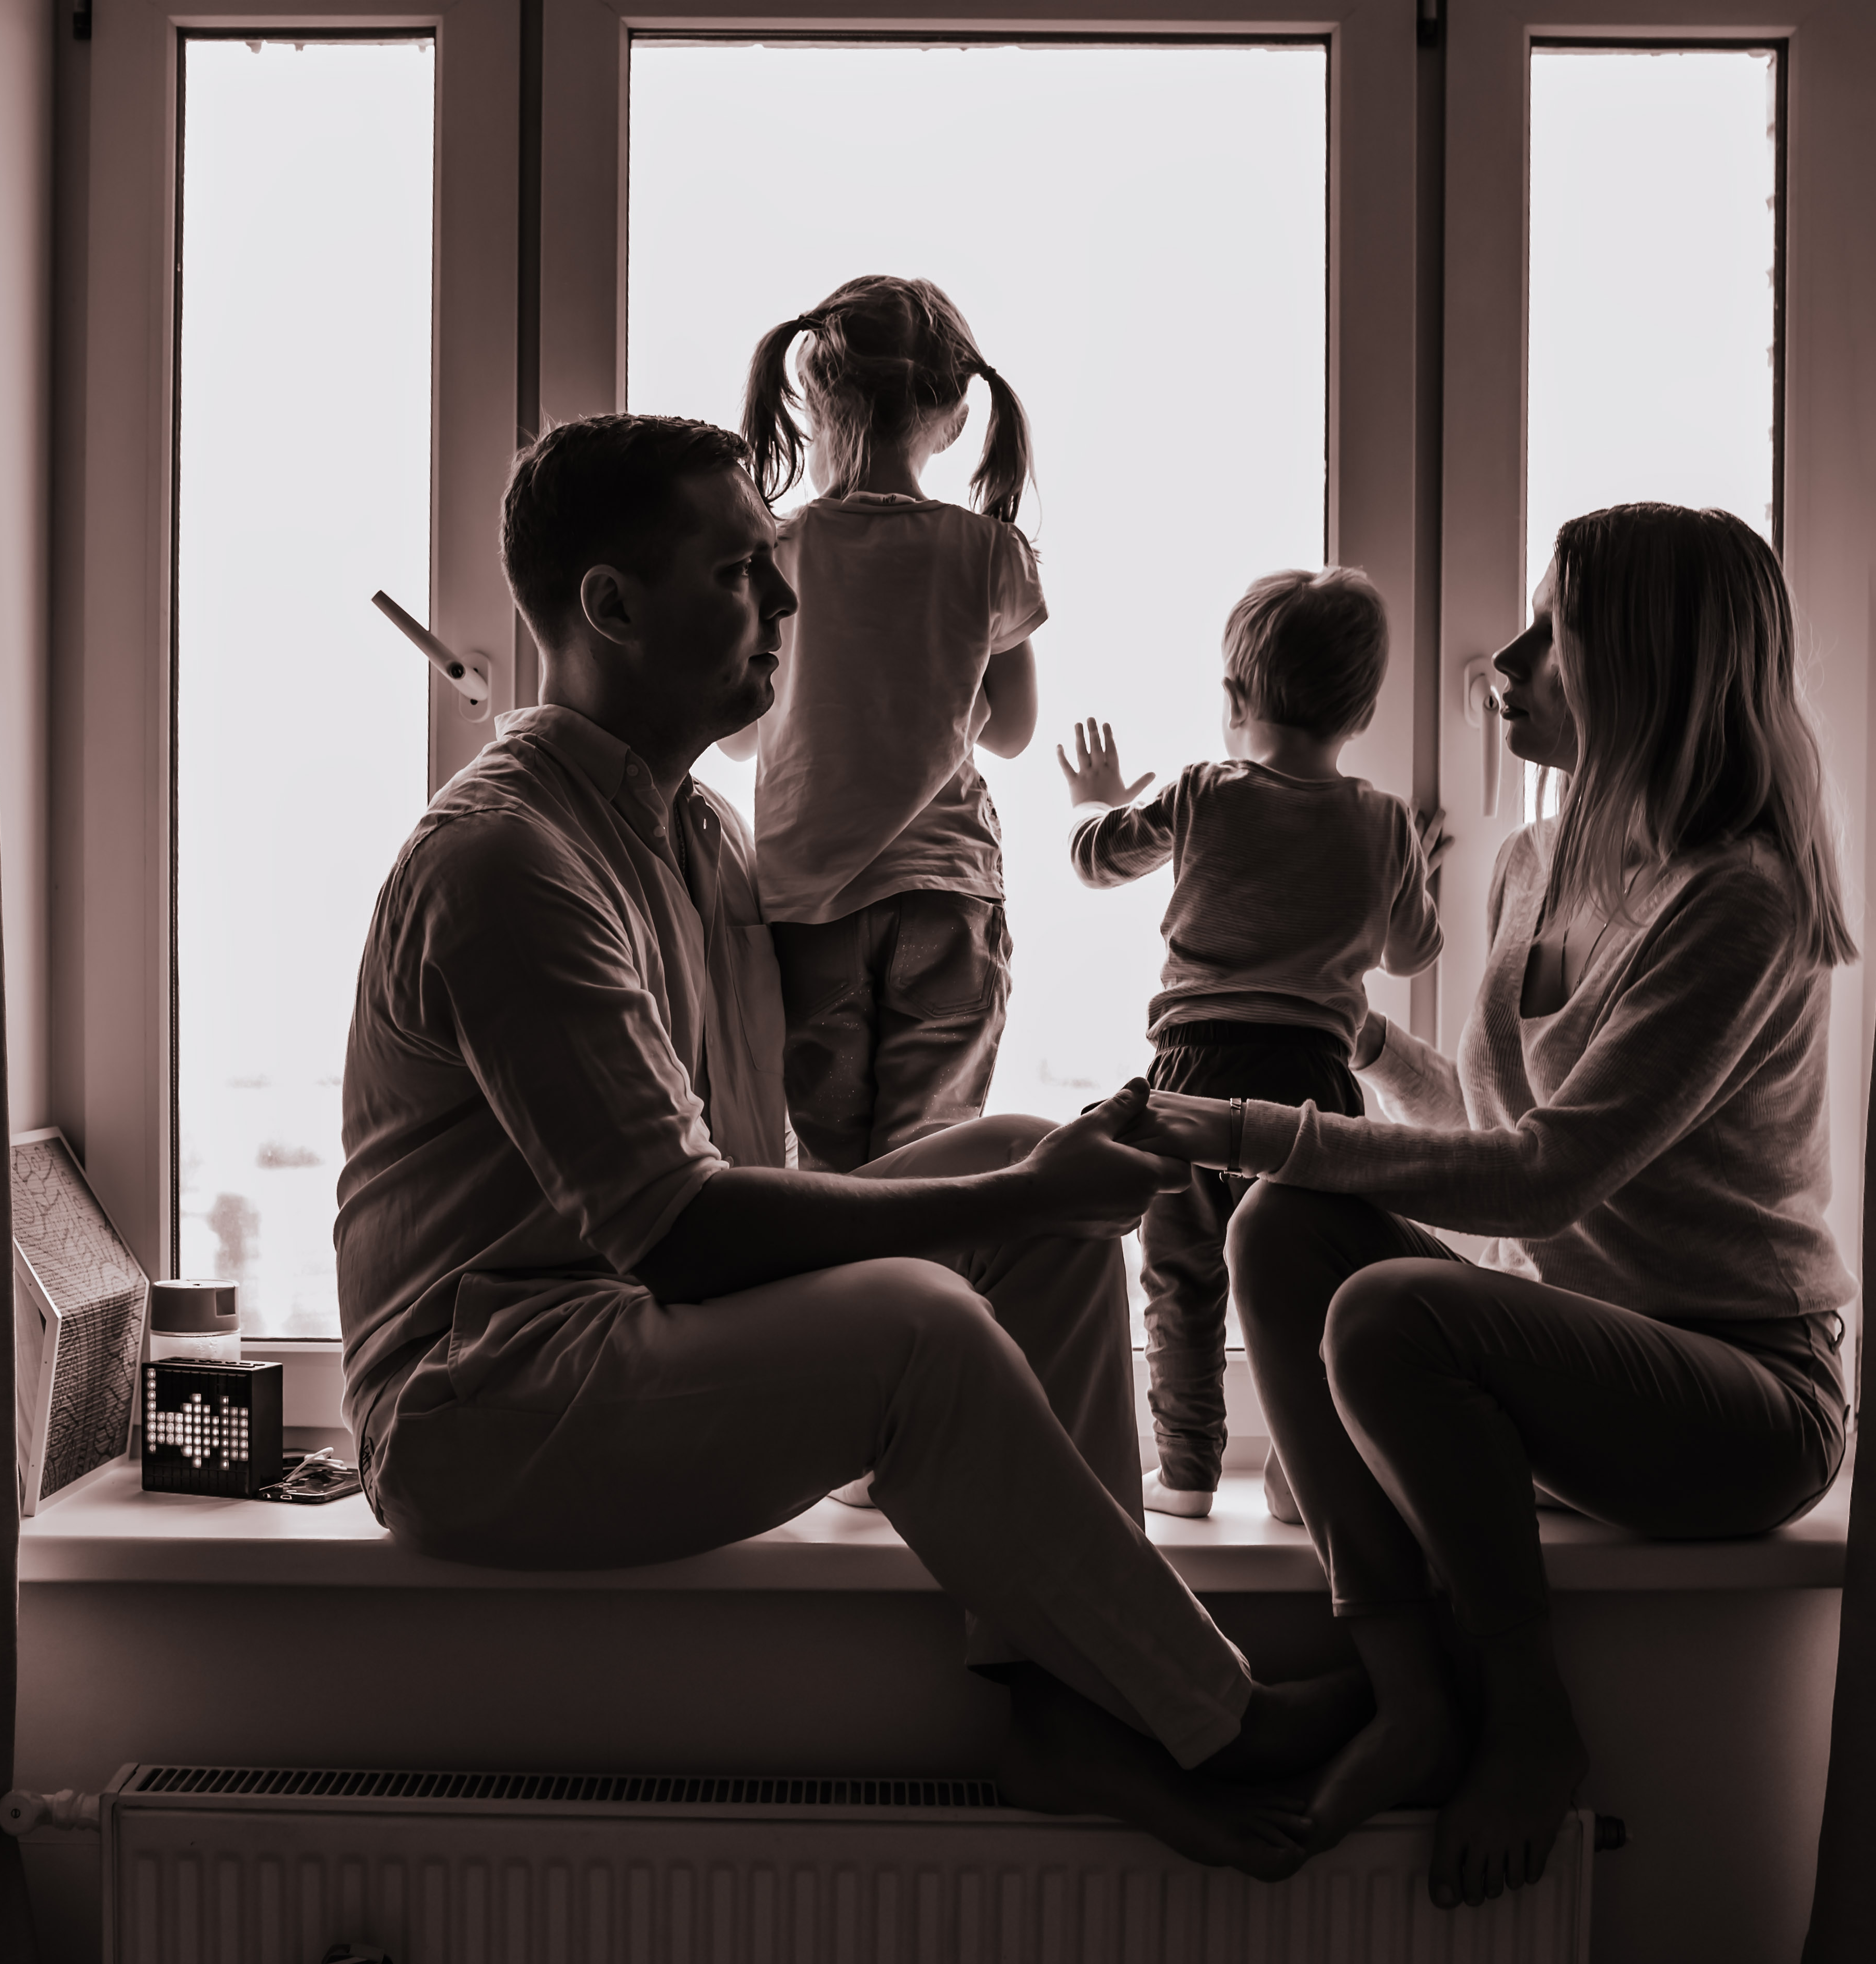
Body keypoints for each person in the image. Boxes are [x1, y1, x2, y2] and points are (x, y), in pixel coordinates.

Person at [336, 411, 1377, 1879]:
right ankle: (1216, 1711)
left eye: (774, 568)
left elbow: (750, 1175)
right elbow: (682, 1230)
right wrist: (1007, 1195)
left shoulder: (694, 836)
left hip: (629, 1328)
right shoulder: (505, 857)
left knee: (1027, 1166)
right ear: (610, 607)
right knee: (923, 1313)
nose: (784, 602)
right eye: (741, 573)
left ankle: (1056, 1707)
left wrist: (1026, 1185)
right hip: (481, 1401)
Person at [1121, 504, 1855, 1908]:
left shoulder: (1737, 900)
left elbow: (1548, 1172)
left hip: (1745, 1397)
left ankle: (1525, 1714)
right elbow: (1490, 1115)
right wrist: (1354, 1040)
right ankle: (1408, 1693)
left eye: (1552, 634)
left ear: (1642, 667)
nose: (1502, 663)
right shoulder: (1536, 861)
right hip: (1580, 1355)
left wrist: (1234, 1117)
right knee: (1276, 1225)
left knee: (1385, 1302)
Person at [1057, 567, 1442, 1524]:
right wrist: (1409, 872)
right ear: (1364, 708)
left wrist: (1094, 800)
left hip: (1197, 1067)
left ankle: (1186, 1468)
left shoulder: (1204, 793)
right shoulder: (1383, 820)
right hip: (1313, 1085)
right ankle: (1298, 1473)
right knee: (1315, 1285)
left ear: (1234, 698)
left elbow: (1098, 861)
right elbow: (1413, 950)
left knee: (1182, 1271)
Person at [730, 276, 1044, 1172]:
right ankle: (924, 1308)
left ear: (810, 397)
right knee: (928, 1163)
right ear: (952, 412)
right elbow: (1015, 730)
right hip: (947, 893)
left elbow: (735, 734)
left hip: (808, 903)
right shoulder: (990, 550)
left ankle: (843, 1318)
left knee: (829, 1169)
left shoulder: (776, 549)